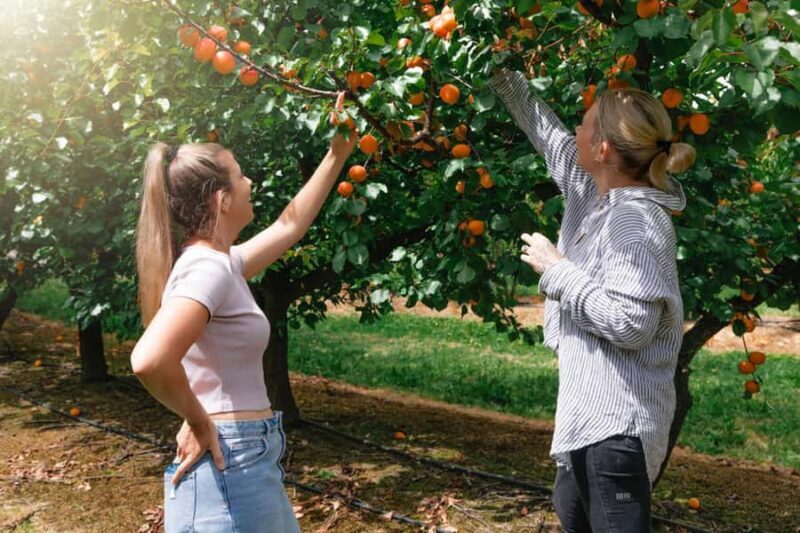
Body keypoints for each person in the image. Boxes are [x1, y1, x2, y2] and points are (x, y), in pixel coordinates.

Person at [130, 93, 356, 532]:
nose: (250, 181)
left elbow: (290, 225)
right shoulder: (206, 269)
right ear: (222, 199)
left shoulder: (224, 263)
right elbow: (149, 360)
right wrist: (196, 418)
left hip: (246, 457)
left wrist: (337, 154)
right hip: (230, 460)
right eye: (240, 175)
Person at [490, 69, 696, 532]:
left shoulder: (636, 222)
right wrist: (500, 73)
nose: (572, 133)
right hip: (590, 419)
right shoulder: (595, 197)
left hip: (618, 426)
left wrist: (556, 269)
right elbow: (549, 138)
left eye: (582, 125)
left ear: (602, 148)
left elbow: (631, 323)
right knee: (570, 510)